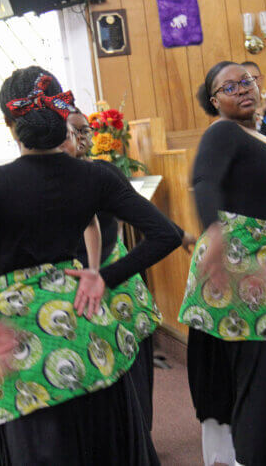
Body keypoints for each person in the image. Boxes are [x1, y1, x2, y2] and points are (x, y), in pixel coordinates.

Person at [0, 66, 181, 464]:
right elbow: (167, 234)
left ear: (11, 126)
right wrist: (104, 277)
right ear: (64, 116)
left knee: (40, 442)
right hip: (82, 317)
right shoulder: (96, 176)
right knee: (101, 432)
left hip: (21, 328)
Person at [179, 60, 266, 466]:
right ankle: (251, 455)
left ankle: (265, 450)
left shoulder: (263, 133)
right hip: (237, 257)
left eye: (247, 80)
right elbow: (204, 181)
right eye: (229, 87)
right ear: (213, 102)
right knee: (256, 366)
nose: (243, 89)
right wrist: (212, 231)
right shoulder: (223, 131)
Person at [64, 111, 196, 430]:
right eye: (73, 131)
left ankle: (139, 435)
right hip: (72, 280)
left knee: (133, 359)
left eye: (86, 130)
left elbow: (140, 211)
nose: (82, 137)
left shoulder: (103, 171)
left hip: (115, 272)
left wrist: (178, 234)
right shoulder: (42, 180)